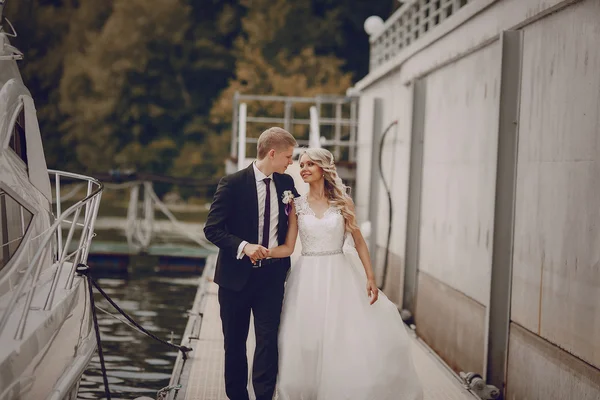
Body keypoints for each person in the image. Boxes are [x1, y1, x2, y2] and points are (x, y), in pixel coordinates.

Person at [268, 148, 424, 400]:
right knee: (304, 337)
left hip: (339, 275)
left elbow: (359, 242)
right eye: (301, 164)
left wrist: (370, 278)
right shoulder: (297, 205)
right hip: (307, 277)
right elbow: (288, 246)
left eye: (309, 164)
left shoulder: (343, 203)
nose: (303, 168)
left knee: (339, 336)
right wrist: (263, 252)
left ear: (323, 169)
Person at [203, 127, 299, 400]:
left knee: (268, 343)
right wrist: (244, 247)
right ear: (272, 153)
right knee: (234, 344)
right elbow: (212, 229)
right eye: (288, 157)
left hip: (271, 278)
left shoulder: (286, 184)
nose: (289, 162)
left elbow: (305, 211)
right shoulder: (231, 184)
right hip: (235, 280)